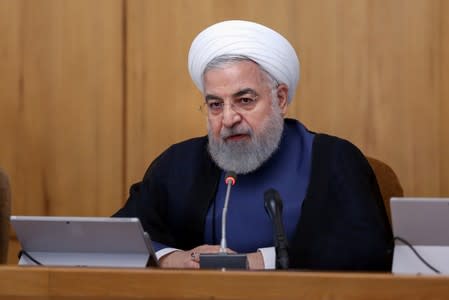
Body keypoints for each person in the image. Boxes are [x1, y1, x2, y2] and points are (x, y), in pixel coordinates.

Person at [114, 20, 393, 270]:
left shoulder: (334, 158)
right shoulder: (179, 162)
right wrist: (171, 258)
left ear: (280, 99)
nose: (228, 118)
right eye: (215, 105)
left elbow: (367, 249)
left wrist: (261, 261)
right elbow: (118, 235)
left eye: (244, 100)